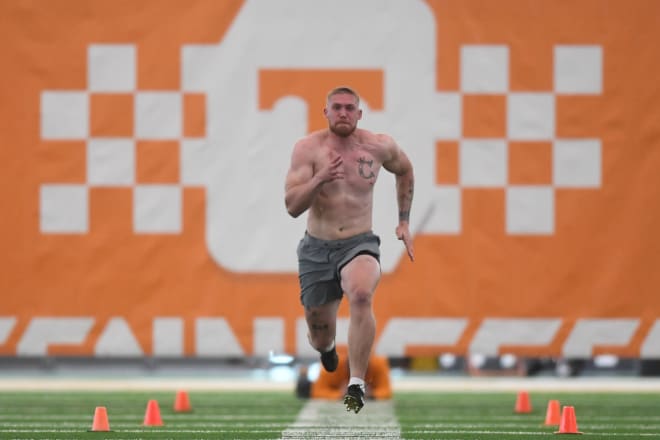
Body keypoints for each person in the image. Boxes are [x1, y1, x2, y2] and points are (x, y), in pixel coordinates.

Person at [284, 86, 414, 413]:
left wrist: (403, 221)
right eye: (337, 107)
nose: (343, 113)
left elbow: (405, 170)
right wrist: (320, 179)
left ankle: (356, 383)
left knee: (360, 294)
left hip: (359, 242)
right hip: (317, 248)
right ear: (325, 112)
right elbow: (292, 206)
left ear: (359, 114)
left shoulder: (379, 146)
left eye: (349, 108)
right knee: (318, 332)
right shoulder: (307, 149)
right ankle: (327, 349)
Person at [311, 354, 393, 401]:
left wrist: (371, 394)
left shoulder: (379, 364)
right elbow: (316, 391)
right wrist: (340, 394)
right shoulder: (332, 366)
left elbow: (387, 391)